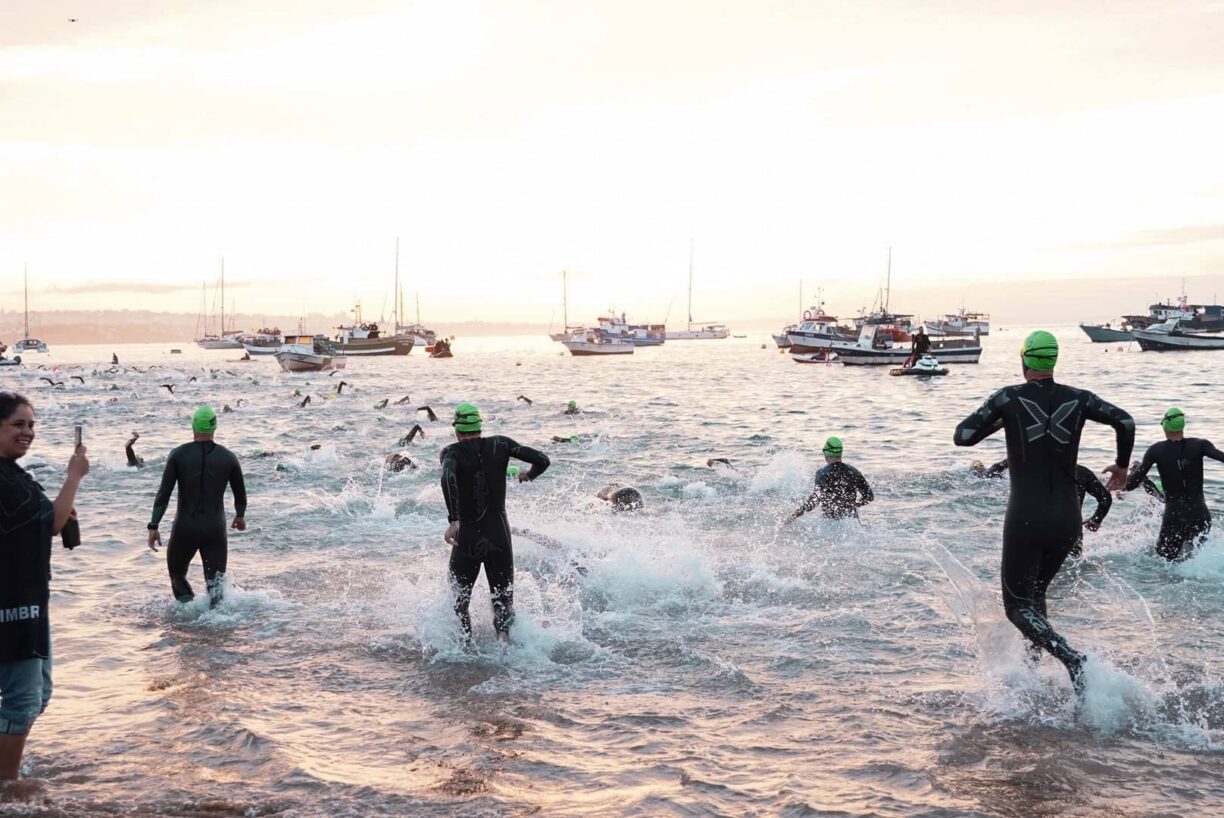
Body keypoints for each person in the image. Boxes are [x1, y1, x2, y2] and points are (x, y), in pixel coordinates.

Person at [954, 330, 1134, 692]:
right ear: (1053, 361)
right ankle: (1032, 672)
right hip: (1068, 522)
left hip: (1025, 518)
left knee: (1017, 608)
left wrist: (1004, 421)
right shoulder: (1080, 399)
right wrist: (1121, 466)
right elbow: (1125, 421)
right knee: (1035, 596)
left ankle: (1072, 659)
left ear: (1024, 361)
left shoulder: (1008, 397)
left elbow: (964, 435)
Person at [0, 392, 89, 780]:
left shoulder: (16, 476)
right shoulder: (6, 482)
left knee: (38, 695)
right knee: (22, 701)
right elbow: (51, 522)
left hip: (31, 600)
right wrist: (74, 476)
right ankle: (6, 785)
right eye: (18, 424)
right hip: (14, 604)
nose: (28, 432)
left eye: (32, 424)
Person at [440, 403, 550, 642]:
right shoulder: (502, 444)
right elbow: (542, 459)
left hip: (467, 536)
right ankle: (504, 648)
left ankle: (464, 650)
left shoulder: (451, 452)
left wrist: (453, 521)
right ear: (480, 426)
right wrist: (528, 475)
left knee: (459, 603)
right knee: (503, 601)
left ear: (456, 429)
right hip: (499, 534)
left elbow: (448, 477)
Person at [147, 405, 247, 608]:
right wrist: (240, 516)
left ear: (193, 426)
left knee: (177, 574)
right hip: (215, 529)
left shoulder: (178, 455)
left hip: (186, 527)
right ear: (214, 427)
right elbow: (240, 494)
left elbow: (163, 495)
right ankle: (215, 628)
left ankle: (189, 613)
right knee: (215, 586)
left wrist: (154, 526)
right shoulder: (228, 457)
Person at [1124, 408, 1224, 560]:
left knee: (1164, 560)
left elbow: (1131, 484)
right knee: (1196, 558)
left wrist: (1119, 483)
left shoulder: (1155, 450)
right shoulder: (1201, 445)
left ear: (1165, 426)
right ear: (1182, 425)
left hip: (1175, 516)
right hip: (1200, 515)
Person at [970, 457, 1112, 555]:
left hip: (1037, 530)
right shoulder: (1081, 472)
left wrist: (983, 473)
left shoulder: (1029, 466)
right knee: (1070, 573)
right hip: (1070, 533)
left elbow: (997, 469)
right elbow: (1106, 498)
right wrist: (1096, 520)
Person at [786, 437, 874, 521]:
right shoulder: (854, 472)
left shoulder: (822, 473)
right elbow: (869, 497)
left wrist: (794, 515)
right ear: (841, 453)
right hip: (851, 521)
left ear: (826, 453)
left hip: (830, 522)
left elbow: (814, 500)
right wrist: (854, 505)